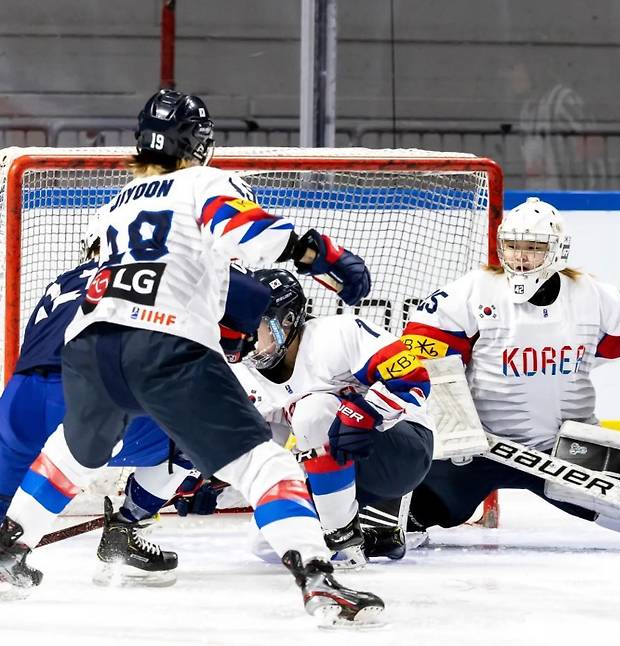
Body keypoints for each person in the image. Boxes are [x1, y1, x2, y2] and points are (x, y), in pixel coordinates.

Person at [0, 88, 382, 624]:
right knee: (263, 461)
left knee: (74, 451)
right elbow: (255, 236)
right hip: (163, 343)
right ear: (198, 142)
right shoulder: (204, 181)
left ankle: (8, 550)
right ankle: (320, 580)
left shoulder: (112, 206)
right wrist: (326, 254)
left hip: (87, 346)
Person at [401, 196, 620, 532]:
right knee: (417, 513)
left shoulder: (591, 296)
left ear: (557, 251)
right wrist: (456, 428)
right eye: (511, 246)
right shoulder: (472, 292)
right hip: (481, 451)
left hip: (566, 453)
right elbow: (423, 354)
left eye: (534, 247)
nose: (520, 257)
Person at [0, 219, 195, 586]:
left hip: (17, 401)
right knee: (199, 428)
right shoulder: (152, 275)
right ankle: (126, 530)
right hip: (79, 398)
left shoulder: (62, 281)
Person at [231, 268, 434, 564]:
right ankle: (372, 535)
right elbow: (265, 445)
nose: (246, 338)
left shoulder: (339, 334)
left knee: (313, 412)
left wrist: (367, 413)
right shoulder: (243, 373)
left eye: (255, 327)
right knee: (270, 543)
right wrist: (214, 474)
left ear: (286, 321)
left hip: (402, 452)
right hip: (331, 466)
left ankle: (343, 534)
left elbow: (414, 380)